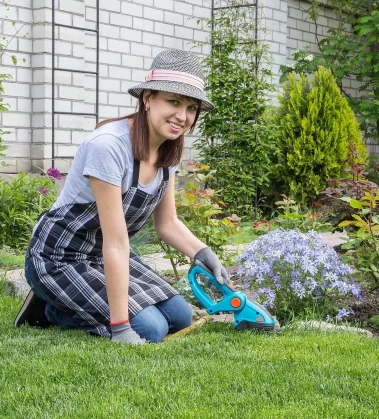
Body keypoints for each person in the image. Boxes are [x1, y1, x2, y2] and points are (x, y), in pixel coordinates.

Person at [15, 49, 230, 345]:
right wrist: (120, 327)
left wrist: (202, 253)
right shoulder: (108, 146)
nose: (182, 116)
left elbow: (167, 223)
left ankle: (70, 301)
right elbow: (116, 243)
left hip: (105, 255)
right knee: (150, 329)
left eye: (191, 108)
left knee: (180, 316)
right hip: (59, 257)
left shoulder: (168, 150)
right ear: (148, 98)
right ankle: (52, 307)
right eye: (174, 102)